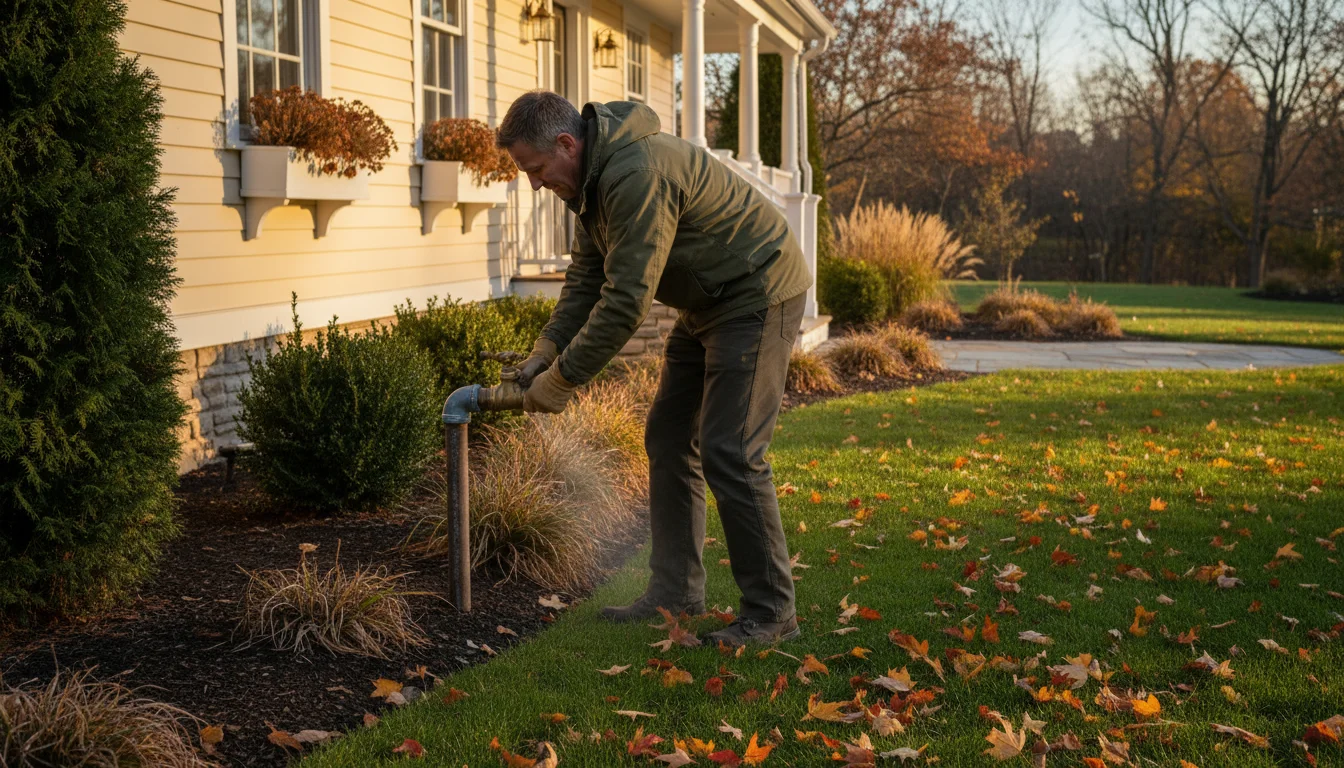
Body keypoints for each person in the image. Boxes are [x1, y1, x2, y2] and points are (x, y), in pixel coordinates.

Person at [497, 90, 810, 647]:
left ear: (568, 143)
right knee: (668, 436)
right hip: (707, 298)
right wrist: (544, 351)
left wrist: (562, 381)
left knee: (731, 451)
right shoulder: (590, 180)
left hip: (756, 290)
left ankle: (771, 612)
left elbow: (624, 301)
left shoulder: (635, 173)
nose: (535, 184)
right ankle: (675, 592)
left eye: (537, 169)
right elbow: (586, 278)